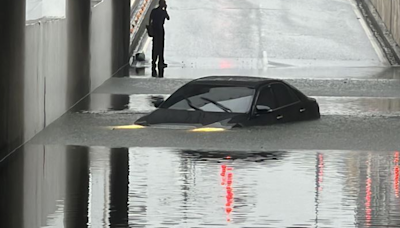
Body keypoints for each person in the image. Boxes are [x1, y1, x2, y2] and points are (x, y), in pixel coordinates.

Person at [149, 0, 170, 78]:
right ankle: (161, 61)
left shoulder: (154, 11)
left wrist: (150, 28)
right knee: (161, 46)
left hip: (155, 29)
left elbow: (150, 19)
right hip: (160, 30)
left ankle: (154, 61)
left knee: (155, 45)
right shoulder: (163, 12)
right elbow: (168, 18)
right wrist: (165, 10)